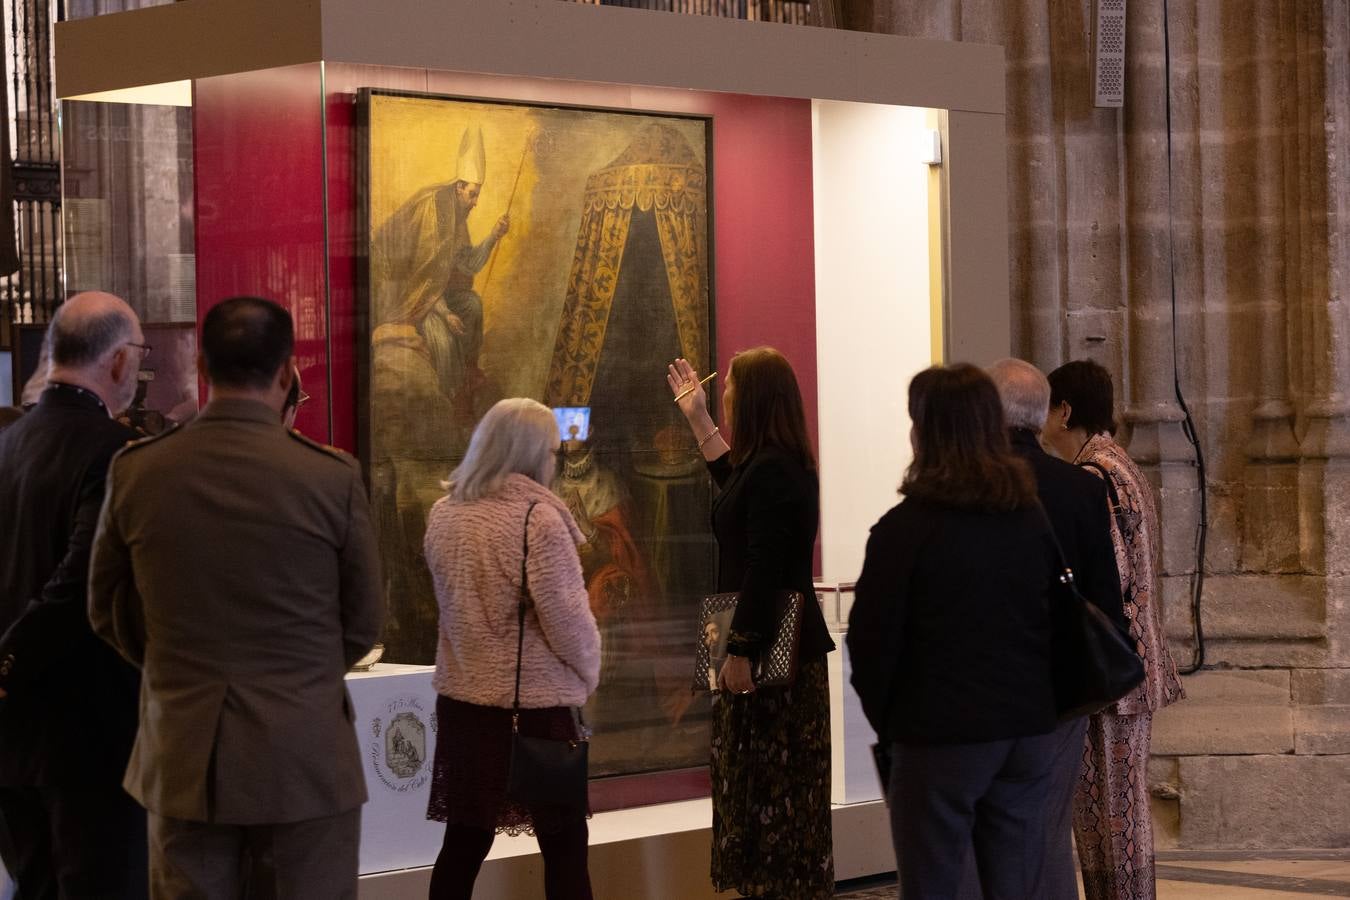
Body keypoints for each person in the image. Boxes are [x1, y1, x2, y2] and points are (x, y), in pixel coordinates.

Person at [88, 296, 384, 899]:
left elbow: (106, 606)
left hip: (184, 753)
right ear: (286, 371)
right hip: (305, 757)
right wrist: (300, 680)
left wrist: (174, 667)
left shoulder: (140, 471)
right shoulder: (331, 477)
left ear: (201, 364)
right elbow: (363, 621)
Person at [848, 363, 1062, 900]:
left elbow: (870, 646)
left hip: (942, 736)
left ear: (927, 433)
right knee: (1015, 885)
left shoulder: (904, 531)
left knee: (937, 884)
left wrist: (894, 725)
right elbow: (1054, 618)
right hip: (1027, 731)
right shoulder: (1028, 518)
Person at [667, 348, 835, 899]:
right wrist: (698, 419)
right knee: (756, 794)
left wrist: (739, 646)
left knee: (772, 797)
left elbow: (765, 565)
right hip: (768, 651)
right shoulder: (769, 465)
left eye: (731, 387)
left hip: (771, 658)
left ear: (756, 397)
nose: (726, 394)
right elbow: (733, 485)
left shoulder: (777, 470)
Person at [0, 291, 148, 898]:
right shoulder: (112, 452)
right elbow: (82, 580)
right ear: (116, 362)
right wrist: (8, 659)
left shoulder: (7, 442)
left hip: (13, 733)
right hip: (87, 735)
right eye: (140, 354)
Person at [422, 398, 600, 900]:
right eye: (550, 450)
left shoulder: (445, 513)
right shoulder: (538, 520)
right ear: (528, 453)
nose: (554, 461)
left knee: (463, 841)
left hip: (464, 703)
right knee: (565, 845)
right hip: (535, 709)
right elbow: (568, 621)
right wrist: (588, 675)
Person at [1043, 359, 1184, 900]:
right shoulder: (1121, 463)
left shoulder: (1093, 476)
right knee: (1119, 816)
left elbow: (1112, 574)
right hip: (1134, 661)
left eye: (1049, 409)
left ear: (1066, 410)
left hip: (1111, 673)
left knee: (1112, 821)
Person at [987, 357, 1126, 900]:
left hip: (984, 692)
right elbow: (1106, 603)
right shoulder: (1082, 489)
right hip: (1060, 695)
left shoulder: (964, 489)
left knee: (989, 831)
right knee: (1047, 834)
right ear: (1041, 413)